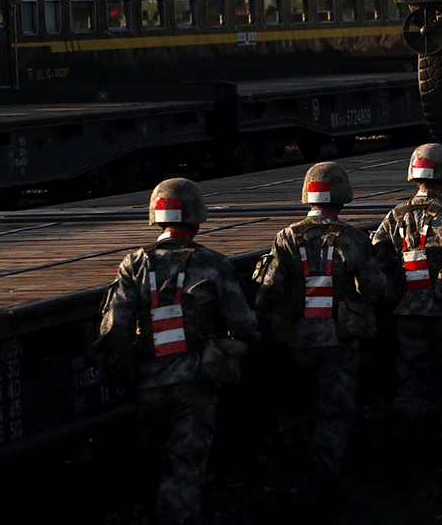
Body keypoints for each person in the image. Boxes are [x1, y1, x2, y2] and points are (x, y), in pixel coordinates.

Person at [96, 178, 258, 525]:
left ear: (156, 218)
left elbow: (114, 329)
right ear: (196, 218)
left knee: (160, 457)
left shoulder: (134, 263)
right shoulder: (213, 263)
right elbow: (244, 324)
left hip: (149, 381)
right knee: (186, 463)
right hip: (195, 380)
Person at [253, 162, 386, 503]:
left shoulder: (286, 237)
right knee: (334, 411)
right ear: (342, 196)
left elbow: (267, 289)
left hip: (298, 339)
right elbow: (374, 287)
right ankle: (323, 478)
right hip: (339, 340)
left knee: (306, 406)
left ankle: (304, 470)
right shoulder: (354, 238)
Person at [370, 143, 442, 461]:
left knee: (414, 373)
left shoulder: (394, 215)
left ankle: (404, 430)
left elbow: (378, 255)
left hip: (408, 310)